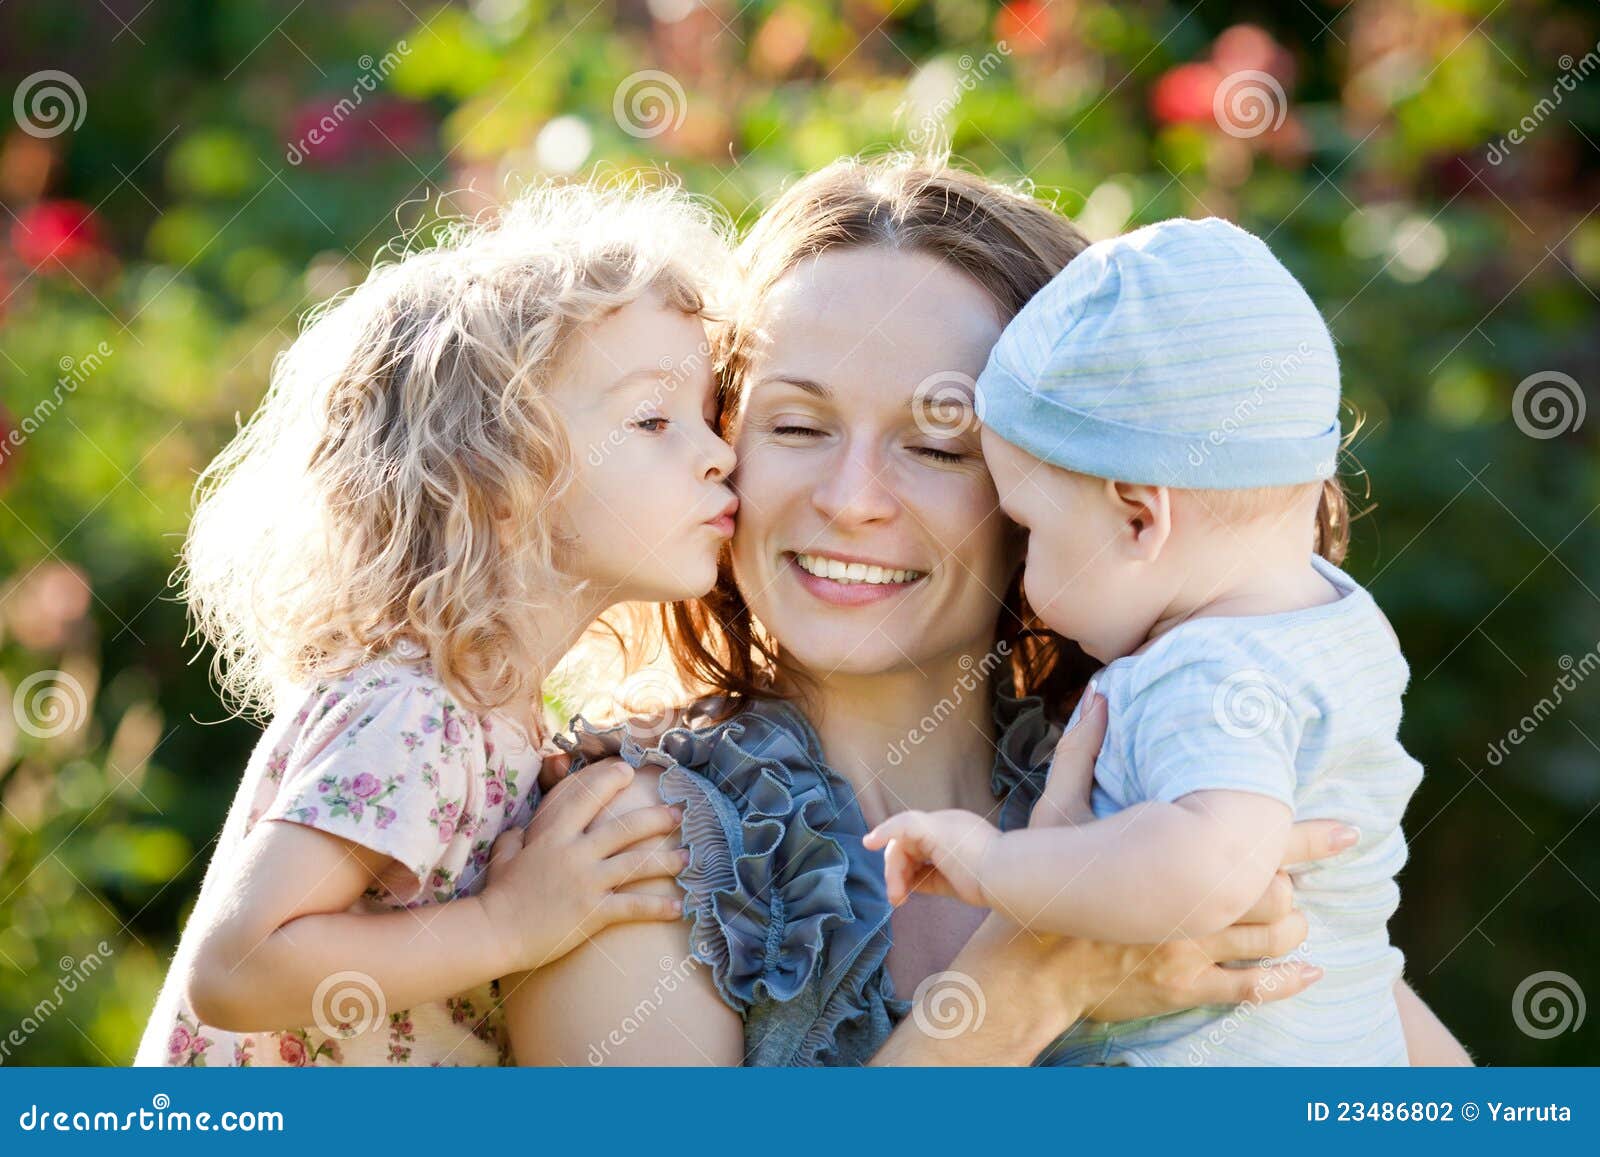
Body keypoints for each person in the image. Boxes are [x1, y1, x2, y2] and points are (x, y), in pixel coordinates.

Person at [500, 156, 1471, 1066]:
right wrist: (1033, 978)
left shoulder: (1171, 776)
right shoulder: (631, 843)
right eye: (797, 425)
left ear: (1071, 489)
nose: (851, 497)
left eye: (936, 444)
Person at [134, 182, 736, 1066]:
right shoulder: (418, 710)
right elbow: (238, 964)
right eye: (654, 419)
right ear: (496, 478)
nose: (720, 451)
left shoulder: (489, 714)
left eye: (711, 417)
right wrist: (507, 922)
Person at [868, 216, 1425, 1065]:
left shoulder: (1202, 670)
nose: (1024, 580)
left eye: (1031, 531)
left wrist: (997, 865)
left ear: (1139, 518)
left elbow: (1203, 870)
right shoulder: (1341, 624)